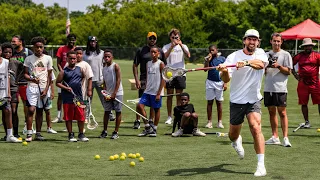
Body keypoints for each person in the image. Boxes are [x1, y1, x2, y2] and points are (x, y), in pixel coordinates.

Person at [217, 29, 268, 177]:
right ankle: (236, 140)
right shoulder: (233, 57)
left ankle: (260, 165)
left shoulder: (261, 53)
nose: (252, 42)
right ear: (244, 40)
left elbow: (260, 65)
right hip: (237, 100)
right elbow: (226, 79)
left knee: (255, 126)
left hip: (254, 99)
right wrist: (224, 70)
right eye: (249, 39)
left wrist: (246, 62)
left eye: (255, 40)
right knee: (232, 135)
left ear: (258, 42)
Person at [264, 33, 292, 147]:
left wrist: (279, 66)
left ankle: (285, 137)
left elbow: (288, 71)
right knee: (271, 112)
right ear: (271, 41)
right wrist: (265, 67)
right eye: (274, 41)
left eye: (278, 41)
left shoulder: (286, 55)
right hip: (268, 88)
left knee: (282, 113)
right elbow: (262, 71)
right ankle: (275, 136)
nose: (276, 43)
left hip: (280, 88)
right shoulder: (266, 54)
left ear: (281, 42)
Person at [132, 32, 166, 129]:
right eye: (150, 38)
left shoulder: (160, 52)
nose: (152, 40)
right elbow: (135, 65)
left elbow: (164, 69)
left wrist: (161, 89)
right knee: (140, 102)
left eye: (154, 38)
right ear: (147, 38)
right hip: (144, 80)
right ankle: (138, 120)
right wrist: (137, 80)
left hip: (156, 82)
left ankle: (151, 122)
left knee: (154, 105)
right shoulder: (141, 50)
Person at [23, 36, 53, 142]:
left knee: (40, 111)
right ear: (33, 48)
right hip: (32, 87)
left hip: (44, 88)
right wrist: (31, 79)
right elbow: (25, 74)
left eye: (40, 47)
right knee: (31, 109)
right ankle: (29, 133)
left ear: (43, 47)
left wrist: (46, 89)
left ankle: (38, 134)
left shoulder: (48, 58)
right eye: (36, 47)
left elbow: (50, 76)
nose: (39, 49)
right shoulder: (28, 59)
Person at [56, 51, 89, 142]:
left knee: (81, 116)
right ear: (67, 59)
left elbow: (82, 77)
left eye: (74, 58)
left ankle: (81, 134)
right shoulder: (63, 71)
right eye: (70, 58)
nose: (73, 60)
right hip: (67, 98)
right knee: (68, 117)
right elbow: (57, 83)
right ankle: (70, 134)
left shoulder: (80, 69)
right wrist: (66, 88)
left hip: (79, 96)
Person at [83, 36, 115, 121]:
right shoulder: (84, 54)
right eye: (91, 41)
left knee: (104, 98)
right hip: (88, 80)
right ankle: (86, 116)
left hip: (99, 80)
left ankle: (110, 114)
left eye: (94, 41)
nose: (93, 43)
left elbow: (105, 65)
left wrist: (104, 78)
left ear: (96, 42)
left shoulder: (101, 53)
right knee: (88, 99)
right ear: (89, 42)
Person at [162, 28, 190, 125]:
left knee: (179, 96)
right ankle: (169, 116)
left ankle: (177, 115)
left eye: (176, 37)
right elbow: (164, 57)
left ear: (179, 37)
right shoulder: (166, 46)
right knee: (169, 96)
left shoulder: (184, 46)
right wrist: (171, 47)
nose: (175, 39)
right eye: (173, 37)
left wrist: (181, 45)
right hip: (169, 73)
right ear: (170, 37)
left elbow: (188, 55)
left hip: (180, 73)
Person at [292, 38, 320, 128]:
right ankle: (307, 122)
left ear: (312, 46)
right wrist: (295, 74)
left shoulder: (317, 55)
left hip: (315, 82)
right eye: (306, 46)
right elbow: (290, 63)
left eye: (309, 46)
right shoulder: (299, 56)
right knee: (304, 103)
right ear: (303, 47)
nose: (308, 47)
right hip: (303, 83)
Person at [137, 46, 165, 137]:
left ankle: (154, 129)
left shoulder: (161, 64)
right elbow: (148, 77)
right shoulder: (148, 63)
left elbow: (163, 79)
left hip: (156, 91)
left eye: (154, 52)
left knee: (156, 109)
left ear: (158, 54)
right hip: (148, 91)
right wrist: (145, 88)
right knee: (139, 106)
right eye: (151, 52)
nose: (153, 54)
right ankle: (147, 126)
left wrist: (159, 93)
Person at [11, 35, 34, 133]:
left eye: (14, 41)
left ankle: (27, 124)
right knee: (13, 105)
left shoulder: (27, 52)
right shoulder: (11, 52)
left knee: (26, 105)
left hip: (25, 82)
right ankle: (12, 127)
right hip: (13, 83)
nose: (12, 43)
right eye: (12, 41)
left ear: (20, 42)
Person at [0, 44, 22, 143]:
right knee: (6, 112)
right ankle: (8, 134)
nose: (8, 54)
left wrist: (9, 92)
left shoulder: (9, 62)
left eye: (10, 52)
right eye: (6, 52)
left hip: (7, 91)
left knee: (10, 112)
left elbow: (8, 77)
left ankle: (12, 134)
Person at [52, 34, 76, 123]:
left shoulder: (76, 50)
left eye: (73, 40)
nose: (71, 41)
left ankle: (72, 116)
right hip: (63, 75)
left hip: (74, 76)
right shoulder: (61, 49)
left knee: (74, 95)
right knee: (60, 96)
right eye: (70, 39)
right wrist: (62, 72)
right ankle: (58, 116)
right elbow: (58, 62)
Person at [100, 49, 123, 139]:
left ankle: (115, 132)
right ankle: (105, 131)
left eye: (108, 56)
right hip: (108, 94)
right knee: (107, 112)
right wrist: (105, 93)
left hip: (118, 93)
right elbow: (104, 82)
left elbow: (118, 80)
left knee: (118, 112)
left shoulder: (115, 66)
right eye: (105, 57)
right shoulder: (104, 69)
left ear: (112, 57)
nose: (106, 58)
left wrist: (114, 93)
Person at [204, 45, 226, 129]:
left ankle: (219, 122)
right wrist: (207, 61)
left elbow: (225, 71)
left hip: (219, 82)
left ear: (217, 50)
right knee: (210, 102)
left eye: (213, 50)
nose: (211, 52)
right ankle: (209, 122)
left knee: (219, 102)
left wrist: (225, 83)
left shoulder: (222, 59)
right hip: (210, 82)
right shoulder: (209, 59)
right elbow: (205, 69)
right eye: (210, 50)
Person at [74, 47, 93, 122]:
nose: (78, 55)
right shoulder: (69, 64)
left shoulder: (85, 65)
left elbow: (90, 78)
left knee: (82, 106)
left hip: (82, 90)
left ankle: (83, 120)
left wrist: (89, 90)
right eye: (77, 53)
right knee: (72, 106)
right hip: (71, 91)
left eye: (80, 54)